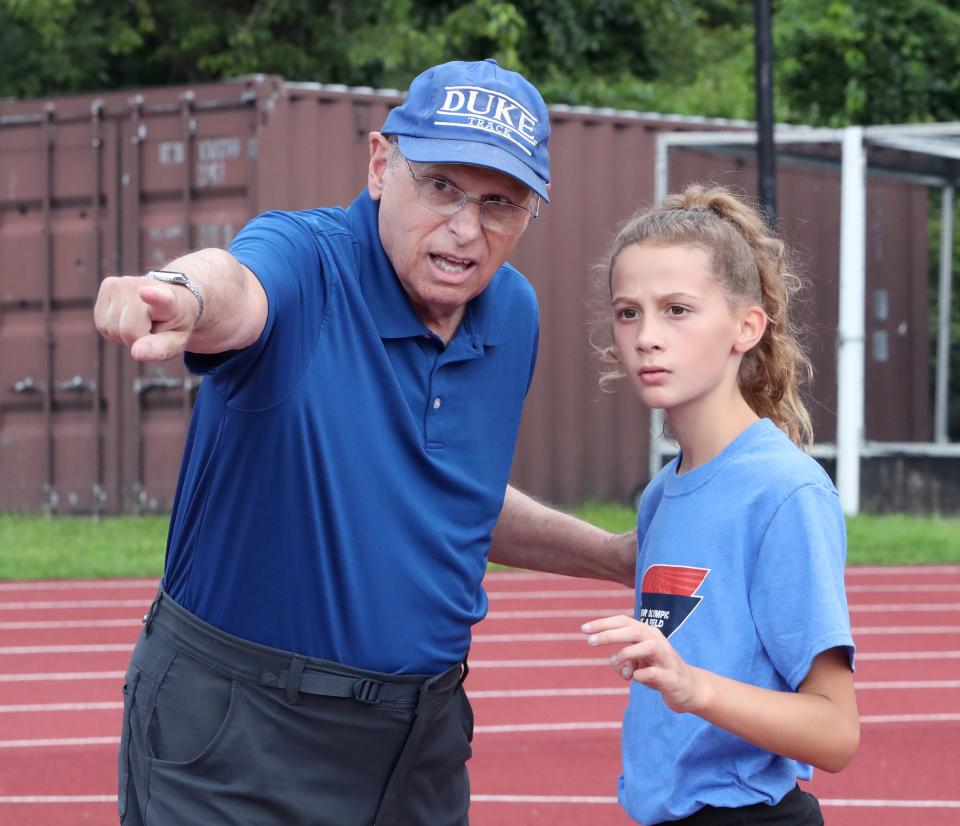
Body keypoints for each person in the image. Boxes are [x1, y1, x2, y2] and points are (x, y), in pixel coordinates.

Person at [94, 59, 634, 826]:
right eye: (441, 186)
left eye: (500, 204)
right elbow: (234, 288)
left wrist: (613, 557)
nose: (465, 229)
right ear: (381, 164)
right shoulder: (308, 261)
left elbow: (449, 497)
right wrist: (178, 294)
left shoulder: (512, 312)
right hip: (240, 737)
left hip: (421, 743)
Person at [580, 185, 859, 825]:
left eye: (677, 310)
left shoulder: (785, 492)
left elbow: (837, 731)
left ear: (746, 326)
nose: (647, 336)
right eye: (628, 313)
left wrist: (692, 686)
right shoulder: (662, 493)